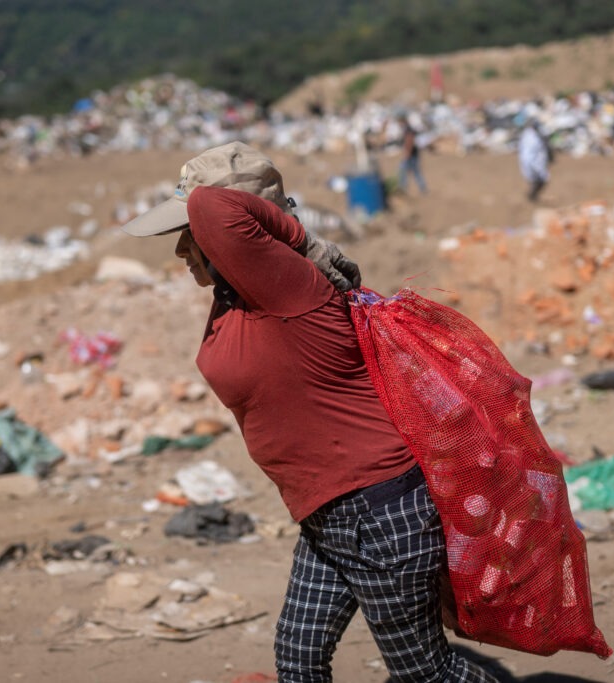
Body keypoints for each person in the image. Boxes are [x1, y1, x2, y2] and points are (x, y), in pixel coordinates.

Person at [122, 141, 497, 683]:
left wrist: (303, 240)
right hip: (328, 517)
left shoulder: (294, 287)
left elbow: (209, 206)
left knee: (425, 674)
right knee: (298, 658)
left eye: (188, 236)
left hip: (378, 511)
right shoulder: (241, 296)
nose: (181, 249)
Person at [517, 119, 553, 201]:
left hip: (528, 160)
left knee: (536, 178)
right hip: (533, 160)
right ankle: (532, 195)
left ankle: (533, 195)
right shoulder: (532, 135)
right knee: (542, 178)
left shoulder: (527, 135)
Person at [396, 115, 428, 195]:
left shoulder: (408, 129)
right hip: (413, 154)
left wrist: (407, 154)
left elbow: (409, 141)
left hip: (411, 155)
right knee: (415, 172)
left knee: (404, 170)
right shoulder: (408, 129)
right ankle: (422, 188)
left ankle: (403, 188)